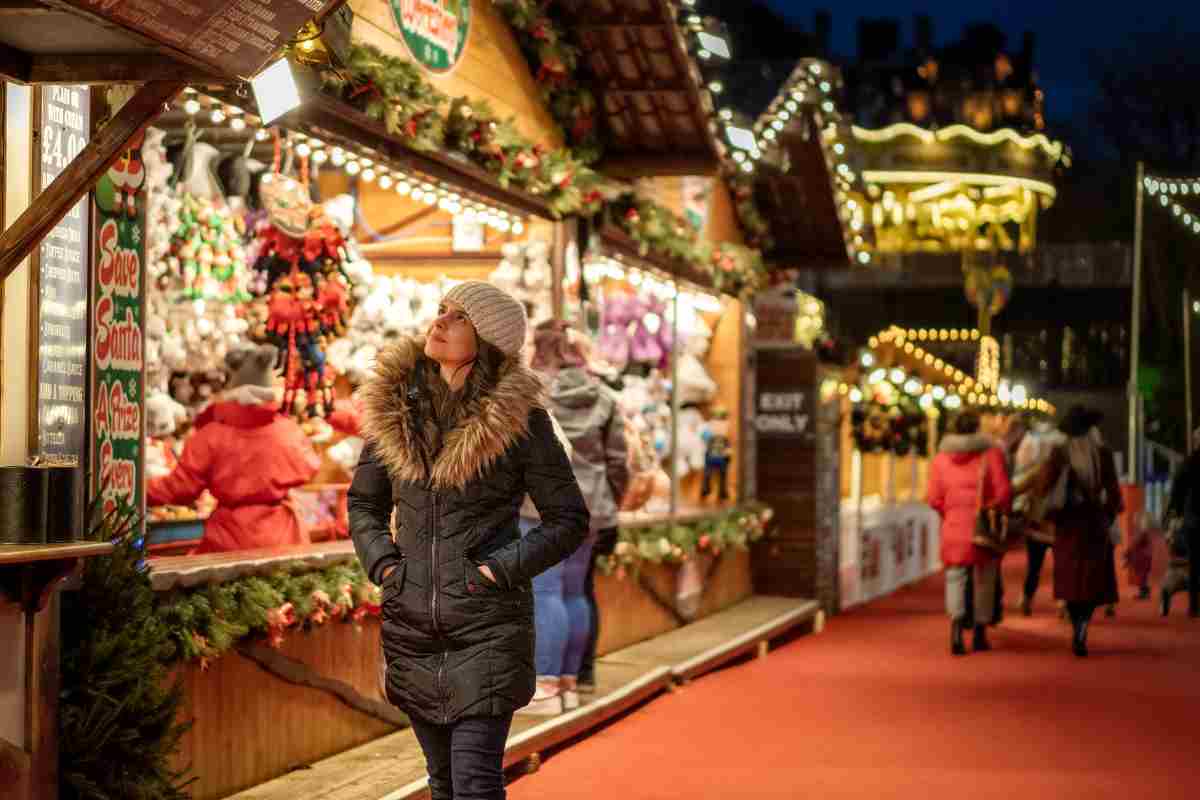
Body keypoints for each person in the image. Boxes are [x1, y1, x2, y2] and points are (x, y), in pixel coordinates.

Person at [349, 282, 589, 800]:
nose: (439, 322)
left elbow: (568, 519)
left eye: (459, 317)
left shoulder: (520, 422)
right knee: (442, 783)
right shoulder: (395, 413)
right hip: (412, 628)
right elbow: (364, 504)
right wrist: (386, 567)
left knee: (475, 783)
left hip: (488, 627)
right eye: (442, 310)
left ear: (488, 340)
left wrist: (497, 570)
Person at [516, 321, 630, 714]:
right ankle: (569, 683)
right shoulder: (604, 397)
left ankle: (546, 687)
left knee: (545, 592)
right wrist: (608, 501)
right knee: (574, 592)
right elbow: (618, 462)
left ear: (538, 348)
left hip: (540, 508)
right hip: (591, 508)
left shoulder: (528, 393)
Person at [148, 342, 321, 553]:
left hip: (230, 540)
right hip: (286, 539)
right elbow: (311, 467)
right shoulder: (289, 431)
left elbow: (180, 489)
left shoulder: (211, 435)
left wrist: (137, 490)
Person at [1034, 406, 1123, 656]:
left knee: (1070, 580)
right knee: (1091, 580)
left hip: (1067, 524)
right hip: (1094, 523)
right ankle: (1084, 624)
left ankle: (1076, 626)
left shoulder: (1059, 453)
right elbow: (1114, 492)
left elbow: (1043, 486)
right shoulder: (1102, 453)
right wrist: (1109, 514)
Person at [926, 410, 1012, 655]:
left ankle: (955, 631)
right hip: (982, 527)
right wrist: (994, 508)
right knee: (985, 579)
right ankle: (979, 633)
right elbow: (1003, 492)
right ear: (976, 427)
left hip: (953, 526)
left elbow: (933, 498)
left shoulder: (941, 458)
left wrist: (950, 513)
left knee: (955, 578)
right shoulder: (990, 453)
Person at [1012, 416, 1067, 615]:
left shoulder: (1036, 467)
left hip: (1037, 520)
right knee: (1062, 564)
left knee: (1034, 565)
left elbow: (1018, 485)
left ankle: (1027, 599)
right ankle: (1063, 602)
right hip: (1059, 520)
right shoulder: (1067, 467)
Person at [1164, 427, 1200, 617]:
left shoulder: (1188, 463)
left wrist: (1174, 514)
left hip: (1193, 519)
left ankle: (1194, 606)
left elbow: (1177, 491)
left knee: (1194, 563)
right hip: (1193, 518)